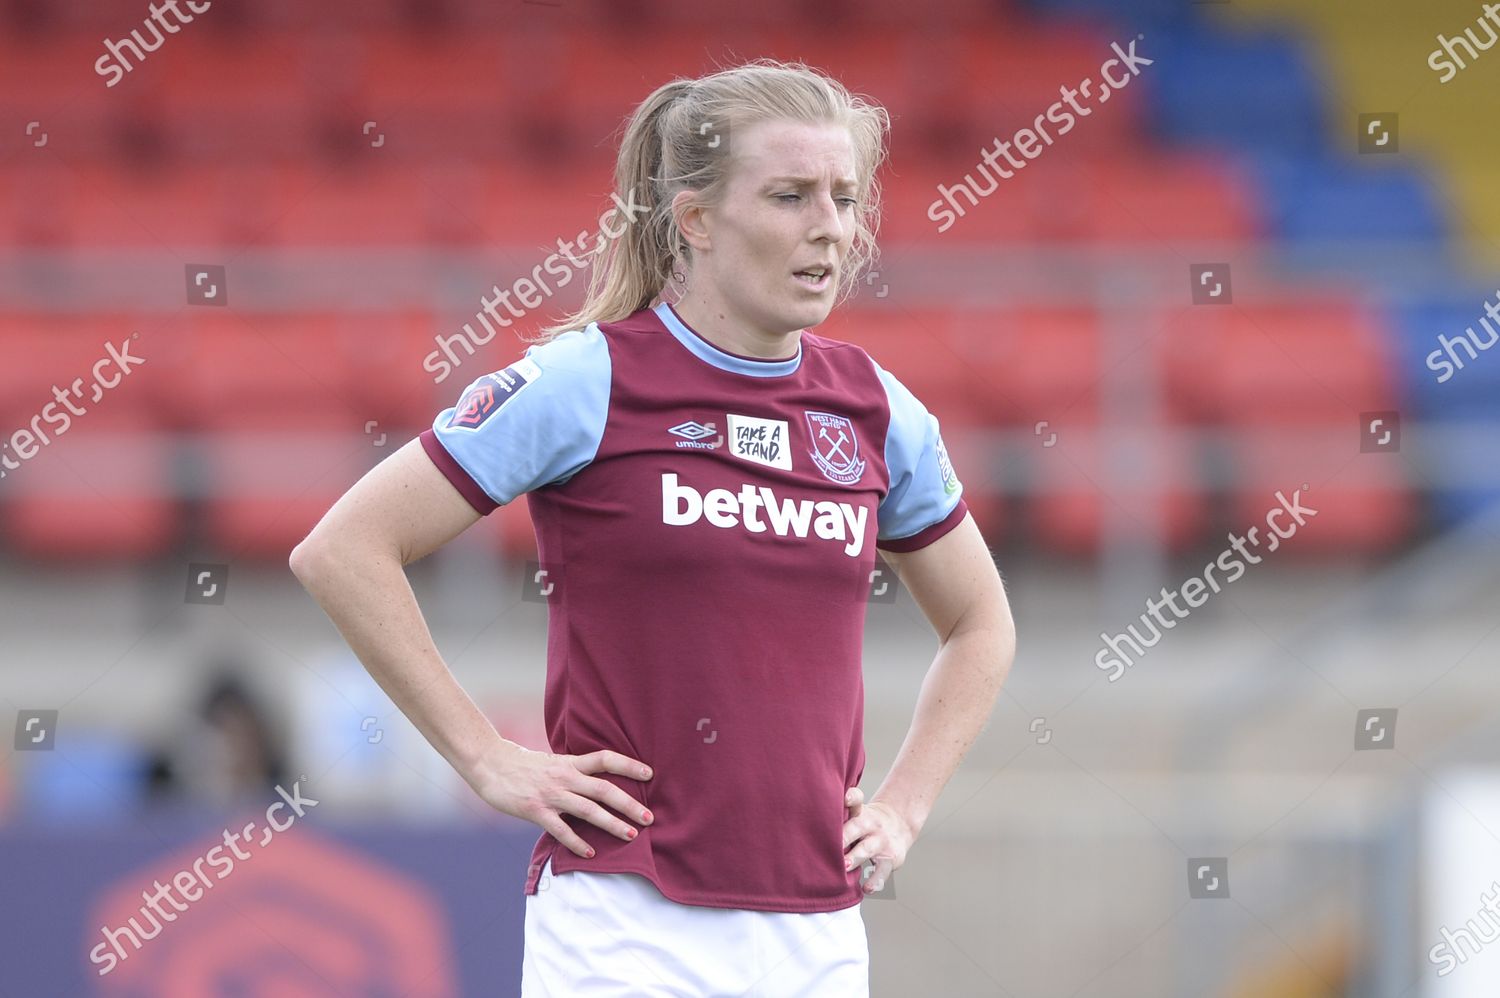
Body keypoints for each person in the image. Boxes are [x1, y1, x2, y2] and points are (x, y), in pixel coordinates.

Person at [291, 57, 1015, 997]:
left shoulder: (878, 410)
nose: (829, 228)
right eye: (791, 196)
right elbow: (343, 550)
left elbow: (981, 625)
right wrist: (485, 757)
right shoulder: (584, 381)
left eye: (843, 197)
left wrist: (906, 807)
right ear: (696, 220)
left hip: (820, 931)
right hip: (624, 920)